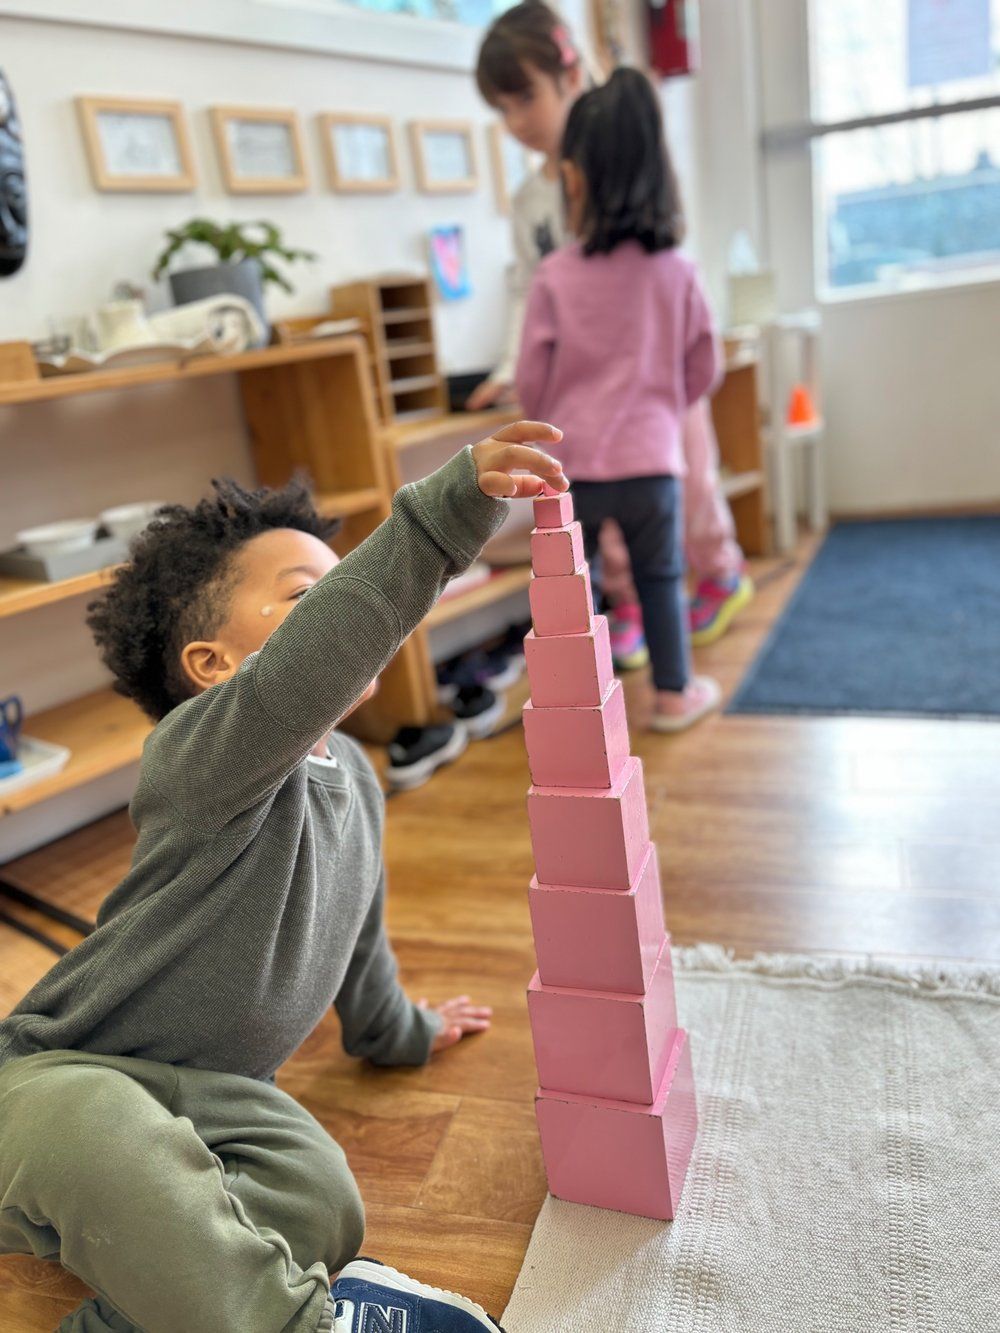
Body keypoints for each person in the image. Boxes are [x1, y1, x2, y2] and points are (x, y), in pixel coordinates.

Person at [0, 422, 565, 1333]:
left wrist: (400, 1031)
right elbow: (302, 674)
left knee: (321, 1201)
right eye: (317, 593)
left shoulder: (358, 781)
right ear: (212, 668)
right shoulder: (196, 758)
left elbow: (356, 941)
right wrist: (435, 524)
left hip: (213, 1108)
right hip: (46, 1084)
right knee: (94, 1126)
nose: (350, 605)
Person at [472, 0, 753, 660]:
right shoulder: (532, 198)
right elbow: (527, 287)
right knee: (611, 501)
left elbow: (666, 241)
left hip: (656, 367)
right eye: (501, 110)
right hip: (592, 376)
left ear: (569, 74)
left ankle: (718, 570)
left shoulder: (620, 141)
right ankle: (632, 605)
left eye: (524, 100)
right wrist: (513, 369)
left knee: (689, 476)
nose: (516, 123)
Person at [516, 67, 722, 731]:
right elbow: (703, 367)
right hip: (653, 461)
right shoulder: (679, 272)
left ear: (574, 180)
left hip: (575, 467)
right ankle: (673, 695)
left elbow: (530, 381)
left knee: (580, 594)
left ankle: (586, 710)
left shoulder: (554, 276)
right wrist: (660, 408)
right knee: (661, 578)